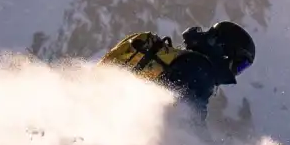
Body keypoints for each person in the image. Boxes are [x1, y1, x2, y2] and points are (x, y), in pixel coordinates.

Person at [99, 21, 256, 122]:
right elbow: (190, 122)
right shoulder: (202, 71)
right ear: (226, 51)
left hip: (113, 112)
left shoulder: (186, 59)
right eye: (240, 64)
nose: (236, 71)